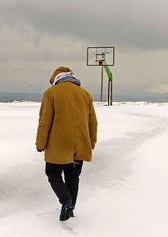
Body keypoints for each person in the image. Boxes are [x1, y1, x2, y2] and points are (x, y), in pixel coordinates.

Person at [36, 66, 98, 221]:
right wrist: (91, 142)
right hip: (80, 143)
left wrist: (40, 144)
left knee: (52, 173)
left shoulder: (51, 94)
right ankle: (70, 210)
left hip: (58, 143)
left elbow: (45, 121)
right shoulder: (85, 94)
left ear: (55, 79)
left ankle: (66, 201)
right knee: (73, 177)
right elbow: (93, 122)